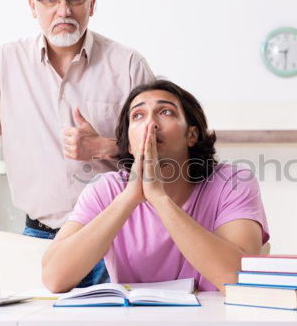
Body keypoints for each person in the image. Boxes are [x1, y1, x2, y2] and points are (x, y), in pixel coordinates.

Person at [0, 0, 154, 286]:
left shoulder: (127, 65)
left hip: (114, 241)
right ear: (32, 5)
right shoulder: (3, 63)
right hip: (36, 242)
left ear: (91, 4)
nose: (63, 10)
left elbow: (162, 156)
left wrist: (106, 147)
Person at [41, 80, 270, 293]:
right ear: (129, 144)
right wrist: (129, 198)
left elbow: (239, 279)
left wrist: (160, 199)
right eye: (138, 115)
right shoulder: (106, 190)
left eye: (166, 112)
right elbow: (54, 278)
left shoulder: (232, 182)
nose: (151, 123)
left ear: (192, 135)